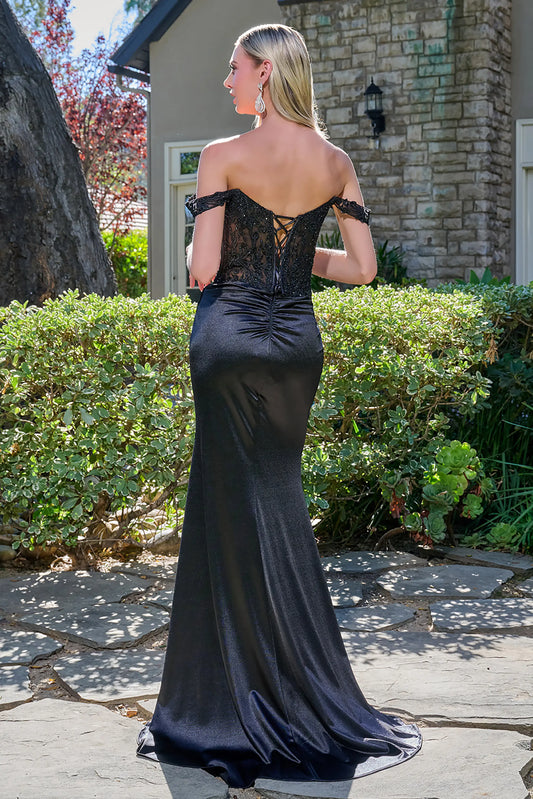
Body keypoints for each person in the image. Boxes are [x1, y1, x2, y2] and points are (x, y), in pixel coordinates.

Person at [137, 23, 422, 789]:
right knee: (276, 497)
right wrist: (296, 255)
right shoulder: (336, 162)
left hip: (229, 341)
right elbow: (360, 269)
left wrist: (228, 250)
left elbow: (201, 268)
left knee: (226, 509)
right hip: (296, 344)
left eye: (233, 70)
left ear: (264, 74)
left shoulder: (222, 157)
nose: (226, 81)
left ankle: (225, 698)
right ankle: (296, 683)